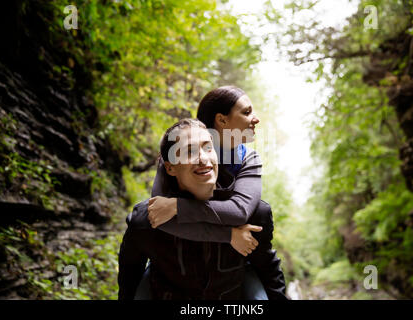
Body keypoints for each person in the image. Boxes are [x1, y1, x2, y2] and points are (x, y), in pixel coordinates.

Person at [143, 86, 288, 300]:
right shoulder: (177, 153)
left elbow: (240, 212)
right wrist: (228, 235)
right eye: (247, 112)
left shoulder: (249, 159)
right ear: (222, 120)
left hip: (233, 266)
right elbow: (159, 217)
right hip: (175, 269)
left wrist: (178, 207)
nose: (256, 119)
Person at [118, 118, 264, 299]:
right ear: (170, 168)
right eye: (189, 151)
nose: (203, 159)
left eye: (208, 147)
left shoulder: (251, 215)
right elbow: (128, 284)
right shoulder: (145, 221)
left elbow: (268, 271)